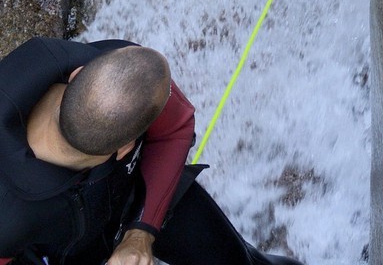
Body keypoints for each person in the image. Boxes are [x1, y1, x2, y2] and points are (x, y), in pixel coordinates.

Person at [0, 37, 302, 265]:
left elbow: (174, 129)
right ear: (124, 148)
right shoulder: (7, 219)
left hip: (138, 190)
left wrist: (140, 231)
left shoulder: (115, 69)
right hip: (64, 248)